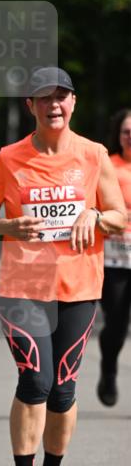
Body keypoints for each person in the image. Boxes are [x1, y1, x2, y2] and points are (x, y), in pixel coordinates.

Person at [0, 68, 126, 466]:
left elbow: (119, 213)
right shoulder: (9, 158)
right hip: (23, 287)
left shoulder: (94, 154)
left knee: (62, 388)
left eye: (61, 97)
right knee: (34, 381)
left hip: (78, 287)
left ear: (73, 103)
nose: (53, 105)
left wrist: (94, 217)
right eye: (44, 99)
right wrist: (7, 224)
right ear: (31, 107)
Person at [97, 108, 131, 406]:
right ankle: (108, 369)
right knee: (116, 324)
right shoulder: (108, 165)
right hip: (114, 258)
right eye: (126, 131)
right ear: (118, 135)